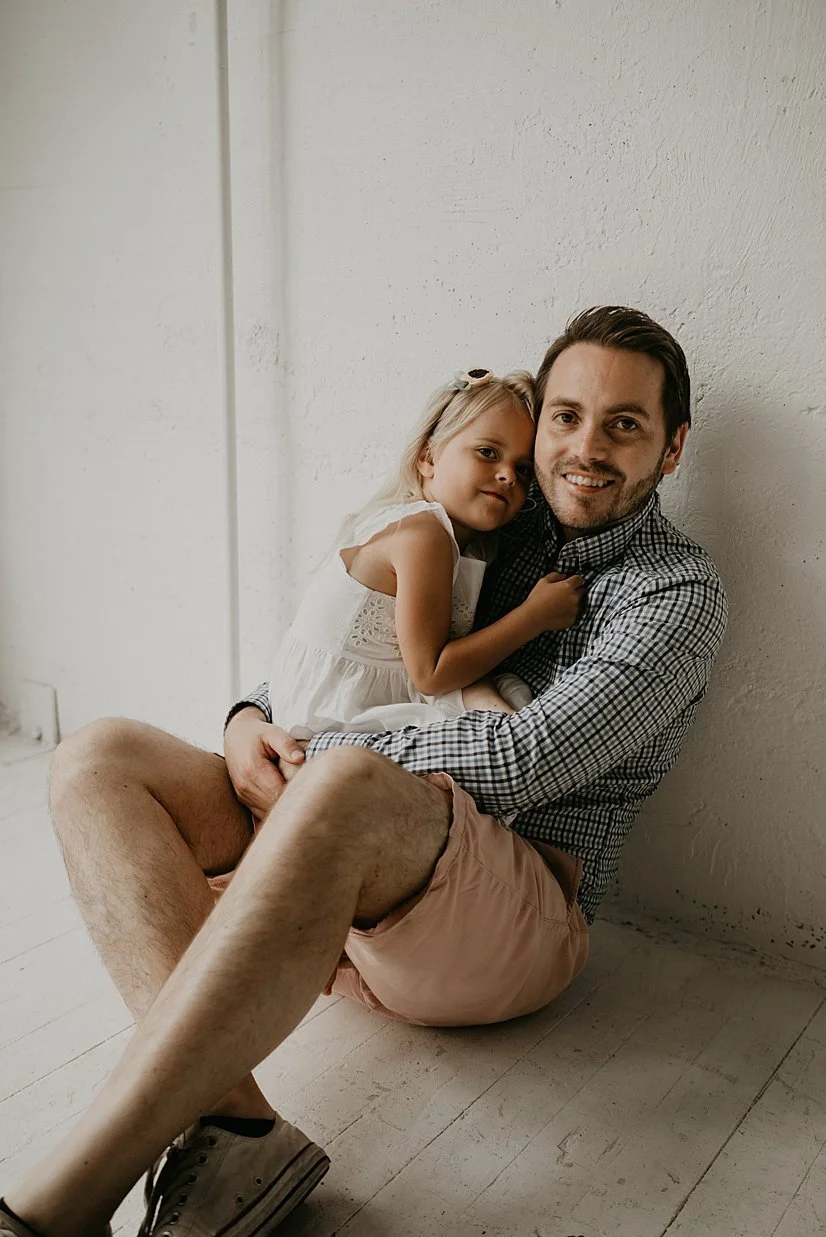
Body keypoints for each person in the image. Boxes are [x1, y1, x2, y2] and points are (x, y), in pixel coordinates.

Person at [1, 307, 727, 1237]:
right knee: (94, 758)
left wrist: (323, 766)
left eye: (624, 424)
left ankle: (54, 1204)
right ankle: (239, 1125)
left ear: (672, 449)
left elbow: (526, 758)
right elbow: (351, 636)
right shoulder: (491, 517)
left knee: (345, 782)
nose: (584, 447)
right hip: (346, 861)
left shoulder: (675, 592)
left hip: (513, 911)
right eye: (567, 415)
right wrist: (250, 720)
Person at [266, 365, 583, 742]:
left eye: (524, 469)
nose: (508, 476)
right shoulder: (424, 534)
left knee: (497, 703)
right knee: (501, 714)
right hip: (334, 714)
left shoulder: (453, 539)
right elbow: (431, 674)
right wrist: (533, 617)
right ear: (427, 457)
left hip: (345, 698)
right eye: (487, 452)